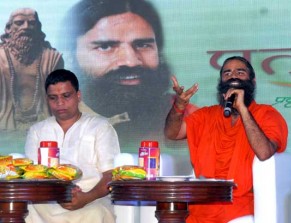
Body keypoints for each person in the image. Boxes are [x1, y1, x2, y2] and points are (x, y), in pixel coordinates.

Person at [164, 56, 288, 223]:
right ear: (221, 82)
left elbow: (265, 152)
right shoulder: (206, 115)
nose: (233, 76)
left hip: (241, 211)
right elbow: (172, 133)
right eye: (227, 73)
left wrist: (243, 109)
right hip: (200, 208)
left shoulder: (267, 115)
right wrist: (178, 106)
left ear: (253, 81)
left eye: (240, 72)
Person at [61, 0, 198, 148]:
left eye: (143, 45)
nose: (130, 61)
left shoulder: (192, 119)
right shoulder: (54, 121)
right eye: (106, 46)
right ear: (71, 56)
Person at [24, 69, 120, 223]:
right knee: (26, 210)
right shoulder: (37, 131)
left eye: (66, 96)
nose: (59, 103)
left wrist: (86, 197)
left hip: (91, 199)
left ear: (78, 95)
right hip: (47, 202)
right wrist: (57, 193)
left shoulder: (101, 127)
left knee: (96, 212)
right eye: (53, 98)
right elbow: (32, 175)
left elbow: (111, 175)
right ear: (47, 100)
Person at [0, 8, 64, 131]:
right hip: (4, 128)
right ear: (8, 29)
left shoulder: (52, 58)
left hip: (44, 124)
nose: (26, 27)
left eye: (31, 23)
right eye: (19, 23)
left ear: (38, 28)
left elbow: (67, 94)